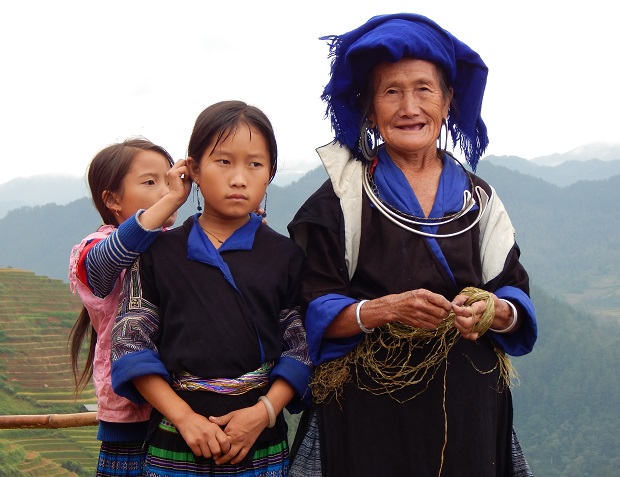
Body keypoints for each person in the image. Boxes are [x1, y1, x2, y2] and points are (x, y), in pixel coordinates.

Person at [287, 13, 538, 477]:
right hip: (367, 414)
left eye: (424, 89)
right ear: (368, 108)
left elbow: (514, 295)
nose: (409, 107)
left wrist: (495, 311)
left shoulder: (478, 199)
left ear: (447, 103)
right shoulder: (339, 201)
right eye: (391, 91)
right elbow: (310, 310)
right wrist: (383, 310)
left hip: (470, 410)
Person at [110, 100, 313, 476]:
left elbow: (300, 349)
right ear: (195, 170)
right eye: (223, 162)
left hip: (260, 442)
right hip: (175, 437)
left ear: (269, 173)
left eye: (255, 163)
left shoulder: (286, 257)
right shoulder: (158, 252)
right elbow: (131, 344)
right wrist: (186, 419)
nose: (239, 178)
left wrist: (263, 413)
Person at [68, 137, 191, 476]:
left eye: (168, 180)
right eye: (150, 182)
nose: (165, 191)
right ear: (112, 200)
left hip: (186, 407)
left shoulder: (176, 245)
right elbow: (113, 257)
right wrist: (171, 200)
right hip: (131, 418)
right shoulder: (96, 246)